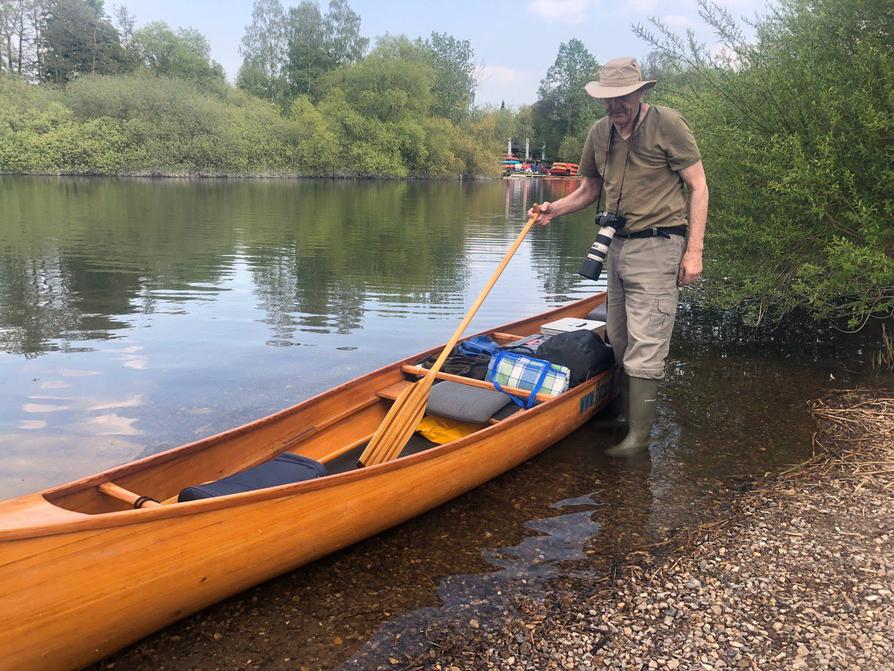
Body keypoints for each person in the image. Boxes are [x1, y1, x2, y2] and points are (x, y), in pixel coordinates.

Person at [530, 56, 708, 457]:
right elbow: (589, 189)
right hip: (617, 245)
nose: (616, 107)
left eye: (623, 98)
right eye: (609, 100)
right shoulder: (599, 132)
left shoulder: (669, 124)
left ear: (640, 92)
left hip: (660, 245)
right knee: (621, 335)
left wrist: (693, 251)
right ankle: (626, 417)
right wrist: (552, 210)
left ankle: (639, 440)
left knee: (648, 342)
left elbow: (698, 186)